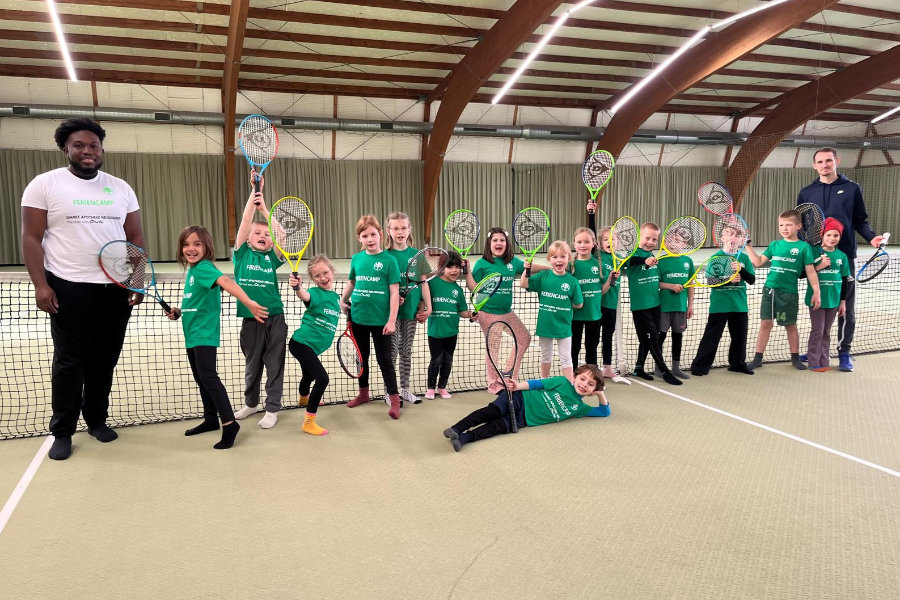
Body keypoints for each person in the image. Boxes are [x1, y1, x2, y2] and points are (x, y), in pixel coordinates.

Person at [21, 117, 145, 461]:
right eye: (79, 145)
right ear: (66, 149)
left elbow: (135, 238)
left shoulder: (120, 187)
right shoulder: (44, 185)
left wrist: (138, 280)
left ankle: (96, 420)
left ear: (102, 149)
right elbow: (31, 238)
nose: (87, 151)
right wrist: (40, 285)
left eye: (93, 145)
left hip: (115, 288)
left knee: (104, 362)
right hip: (67, 287)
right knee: (69, 363)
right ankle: (62, 431)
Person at [166, 226, 268, 450]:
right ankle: (211, 419)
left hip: (203, 334)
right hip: (191, 334)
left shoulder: (203, 268)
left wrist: (249, 302)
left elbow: (226, 282)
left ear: (207, 247)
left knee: (209, 378)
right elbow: (197, 302)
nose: (190, 249)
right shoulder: (194, 271)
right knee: (201, 379)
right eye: (186, 244)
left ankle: (229, 424)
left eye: (197, 244)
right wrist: (179, 311)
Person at [797, 147, 884, 372]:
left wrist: (872, 237)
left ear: (836, 161)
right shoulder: (806, 192)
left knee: (846, 307)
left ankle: (844, 352)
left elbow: (860, 220)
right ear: (814, 165)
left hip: (843, 259)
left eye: (828, 160)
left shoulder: (852, 188)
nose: (825, 165)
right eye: (820, 161)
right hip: (815, 260)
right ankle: (817, 350)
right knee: (817, 304)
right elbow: (802, 227)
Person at [442, 364, 609, 452]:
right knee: (492, 412)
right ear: (575, 377)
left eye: (590, 384)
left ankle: (464, 439)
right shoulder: (562, 382)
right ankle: (456, 429)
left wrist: (600, 394)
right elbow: (537, 383)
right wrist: (517, 387)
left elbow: (604, 412)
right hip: (519, 398)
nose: (584, 384)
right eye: (582, 379)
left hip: (523, 420)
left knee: (495, 428)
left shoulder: (579, 408)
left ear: (592, 390)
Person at [232, 183, 287, 429]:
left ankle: (272, 407)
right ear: (248, 239)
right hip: (250, 320)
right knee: (252, 365)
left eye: (266, 235)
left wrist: (265, 210)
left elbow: (282, 235)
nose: (263, 236)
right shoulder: (241, 255)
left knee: (275, 364)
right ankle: (251, 403)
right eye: (257, 234)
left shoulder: (271, 259)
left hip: (275, 318)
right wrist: (252, 200)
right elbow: (245, 221)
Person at [466, 227, 544, 393]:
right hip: (487, 313)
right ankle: (494, 383)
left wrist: (551, 268)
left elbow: (528, 267)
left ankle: (509, 376)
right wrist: (466, 273)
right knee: (493, 348)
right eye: (495, 240)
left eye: (502, 240)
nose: (498, 243)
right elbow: (474, 288)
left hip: (507, 312)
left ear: (506, 243)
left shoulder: (512, 262)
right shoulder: (482, 264)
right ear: (489, 244)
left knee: (524, 338)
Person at [340, 215, 402, 419]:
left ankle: (394, 399)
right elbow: (352, 282)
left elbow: (394, 292)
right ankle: (363, 394)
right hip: (357, 317)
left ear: (381, 235)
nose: (370, 239)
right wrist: (343, 300)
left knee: (385, 360)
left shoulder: (389, 261)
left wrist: (391, 319)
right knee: (361, 359)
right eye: (365, 235)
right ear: (359, 238)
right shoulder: (357, 259)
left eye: (373, 234)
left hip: (381, 321)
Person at [745, 209, 820, 370]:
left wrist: (816, 291)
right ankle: (758, 358)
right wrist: (747, 247)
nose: (784, 228)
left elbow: (811, 271)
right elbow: (758, 262)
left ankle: (795, 358)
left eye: (788, 225)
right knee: (766, 323)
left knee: (790, 325)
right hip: (770, 291)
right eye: (781, 225)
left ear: (798, 226)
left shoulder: (804, 247)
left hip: (788, 295)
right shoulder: (774, 245)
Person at [690, 223, 756, 376]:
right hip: (719, 306)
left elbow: (751, 280)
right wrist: (729, 279)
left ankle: (737, 364)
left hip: (739, 306)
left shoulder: (744, 258)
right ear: (722, 238)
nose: (733, 237)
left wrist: (741, 269)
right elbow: (711, 282)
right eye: (729, 233)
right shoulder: (716, 258)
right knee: (712, 337)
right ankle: (699, 366)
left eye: (737, 235)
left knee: (739, 337)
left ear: (742, 240)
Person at [622, 223, 682, 385]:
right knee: (653, 338)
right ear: (640, 237)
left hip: (656, 304)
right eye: (647, 238)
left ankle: (639, 368)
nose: (650, 242)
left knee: (646, 340)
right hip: (641, 306)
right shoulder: (634, 253)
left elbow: (658, 281)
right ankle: (664, 371)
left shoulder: (655, 256)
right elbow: (631, 261)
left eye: (654, 239)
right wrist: (645, 261)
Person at [287, 256, 341, 435]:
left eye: (325, 272)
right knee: (322, 378)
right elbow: (305, 295)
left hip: (311, 346)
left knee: (308, 375)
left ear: (332, 271)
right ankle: (309, 422)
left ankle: (304, 398)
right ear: (313, 279)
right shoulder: (315, 293)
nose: (323, 278)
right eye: (317, 276)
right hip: (302, 343)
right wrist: (298, 288)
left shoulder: (335, 297)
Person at [385, 211, 431, 405]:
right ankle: (390, 392)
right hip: (392, 315)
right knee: (392, 351)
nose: (400, 232)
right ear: (388, 231)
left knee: (406, 350)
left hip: (411, 313)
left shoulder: (417, 255)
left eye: (403, 228)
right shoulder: (386, 256)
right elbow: (383, 287)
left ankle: (404, 389)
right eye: (395, 228)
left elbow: (424, 283)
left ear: (409, 230)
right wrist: (393, 301)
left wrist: (428, 306)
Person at [521, 240, 584, 381]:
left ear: (569, 258)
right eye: (555, 257)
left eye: (562, 256)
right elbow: (523, 283)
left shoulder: (573, 282)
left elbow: (579, 304)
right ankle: (544, 380)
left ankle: (570, 383)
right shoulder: (543, 277)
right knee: (546, 355)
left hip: (564, 326)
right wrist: (526, 270)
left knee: (566, 357)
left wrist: (564, 305)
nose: (559, 260)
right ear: (549, 259)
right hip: (546, 325)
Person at [806, 218, 852, 372]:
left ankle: (824, 360)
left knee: (826, 332)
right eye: (828, 235)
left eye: (836, 236)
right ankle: (813, 361)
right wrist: (820, 266)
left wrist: (843, 302)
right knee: (817, 330)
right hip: (817, 300)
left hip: (834, 301)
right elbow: (806, 273)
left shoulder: (842, 257)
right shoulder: (813, 252)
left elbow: (845, 280)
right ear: (822, 236)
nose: (832, 238)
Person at [423, 251, 470, 399]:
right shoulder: (432, 283)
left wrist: (471, 315)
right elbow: (422, 299)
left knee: (448, 361)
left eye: (457, 267)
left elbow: (462, 311)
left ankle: (442, 387)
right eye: (450, 267)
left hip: (452, 333)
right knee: (436, 360)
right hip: (435, 332)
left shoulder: (458, 290)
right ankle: (431, 388)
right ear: (442, 267)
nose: (454, 270)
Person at [570, 226, 617, 372]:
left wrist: (609, 280)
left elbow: (601, 291)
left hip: (594, 315)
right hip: (575, 315)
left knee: (592, 347)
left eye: (586, 242)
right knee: (574, 347)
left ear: (593, 244)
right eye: (579, 242)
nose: (583, 245)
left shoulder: (599, 264)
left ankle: (592, 375)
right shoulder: (570, 265)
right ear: (574, 244)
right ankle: (572, 376)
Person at [656, 252, 694, 379]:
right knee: (660, 337)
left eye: (680, 241)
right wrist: (671, 286)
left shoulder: (688, 261)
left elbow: (690, 284)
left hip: (681, 306)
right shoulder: (661, 261)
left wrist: (690, 305)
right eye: (674, 240)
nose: (677, 243)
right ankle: (658, 368)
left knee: (678, 336)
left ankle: (676, 368)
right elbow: (656, 282)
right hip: (664, 306)